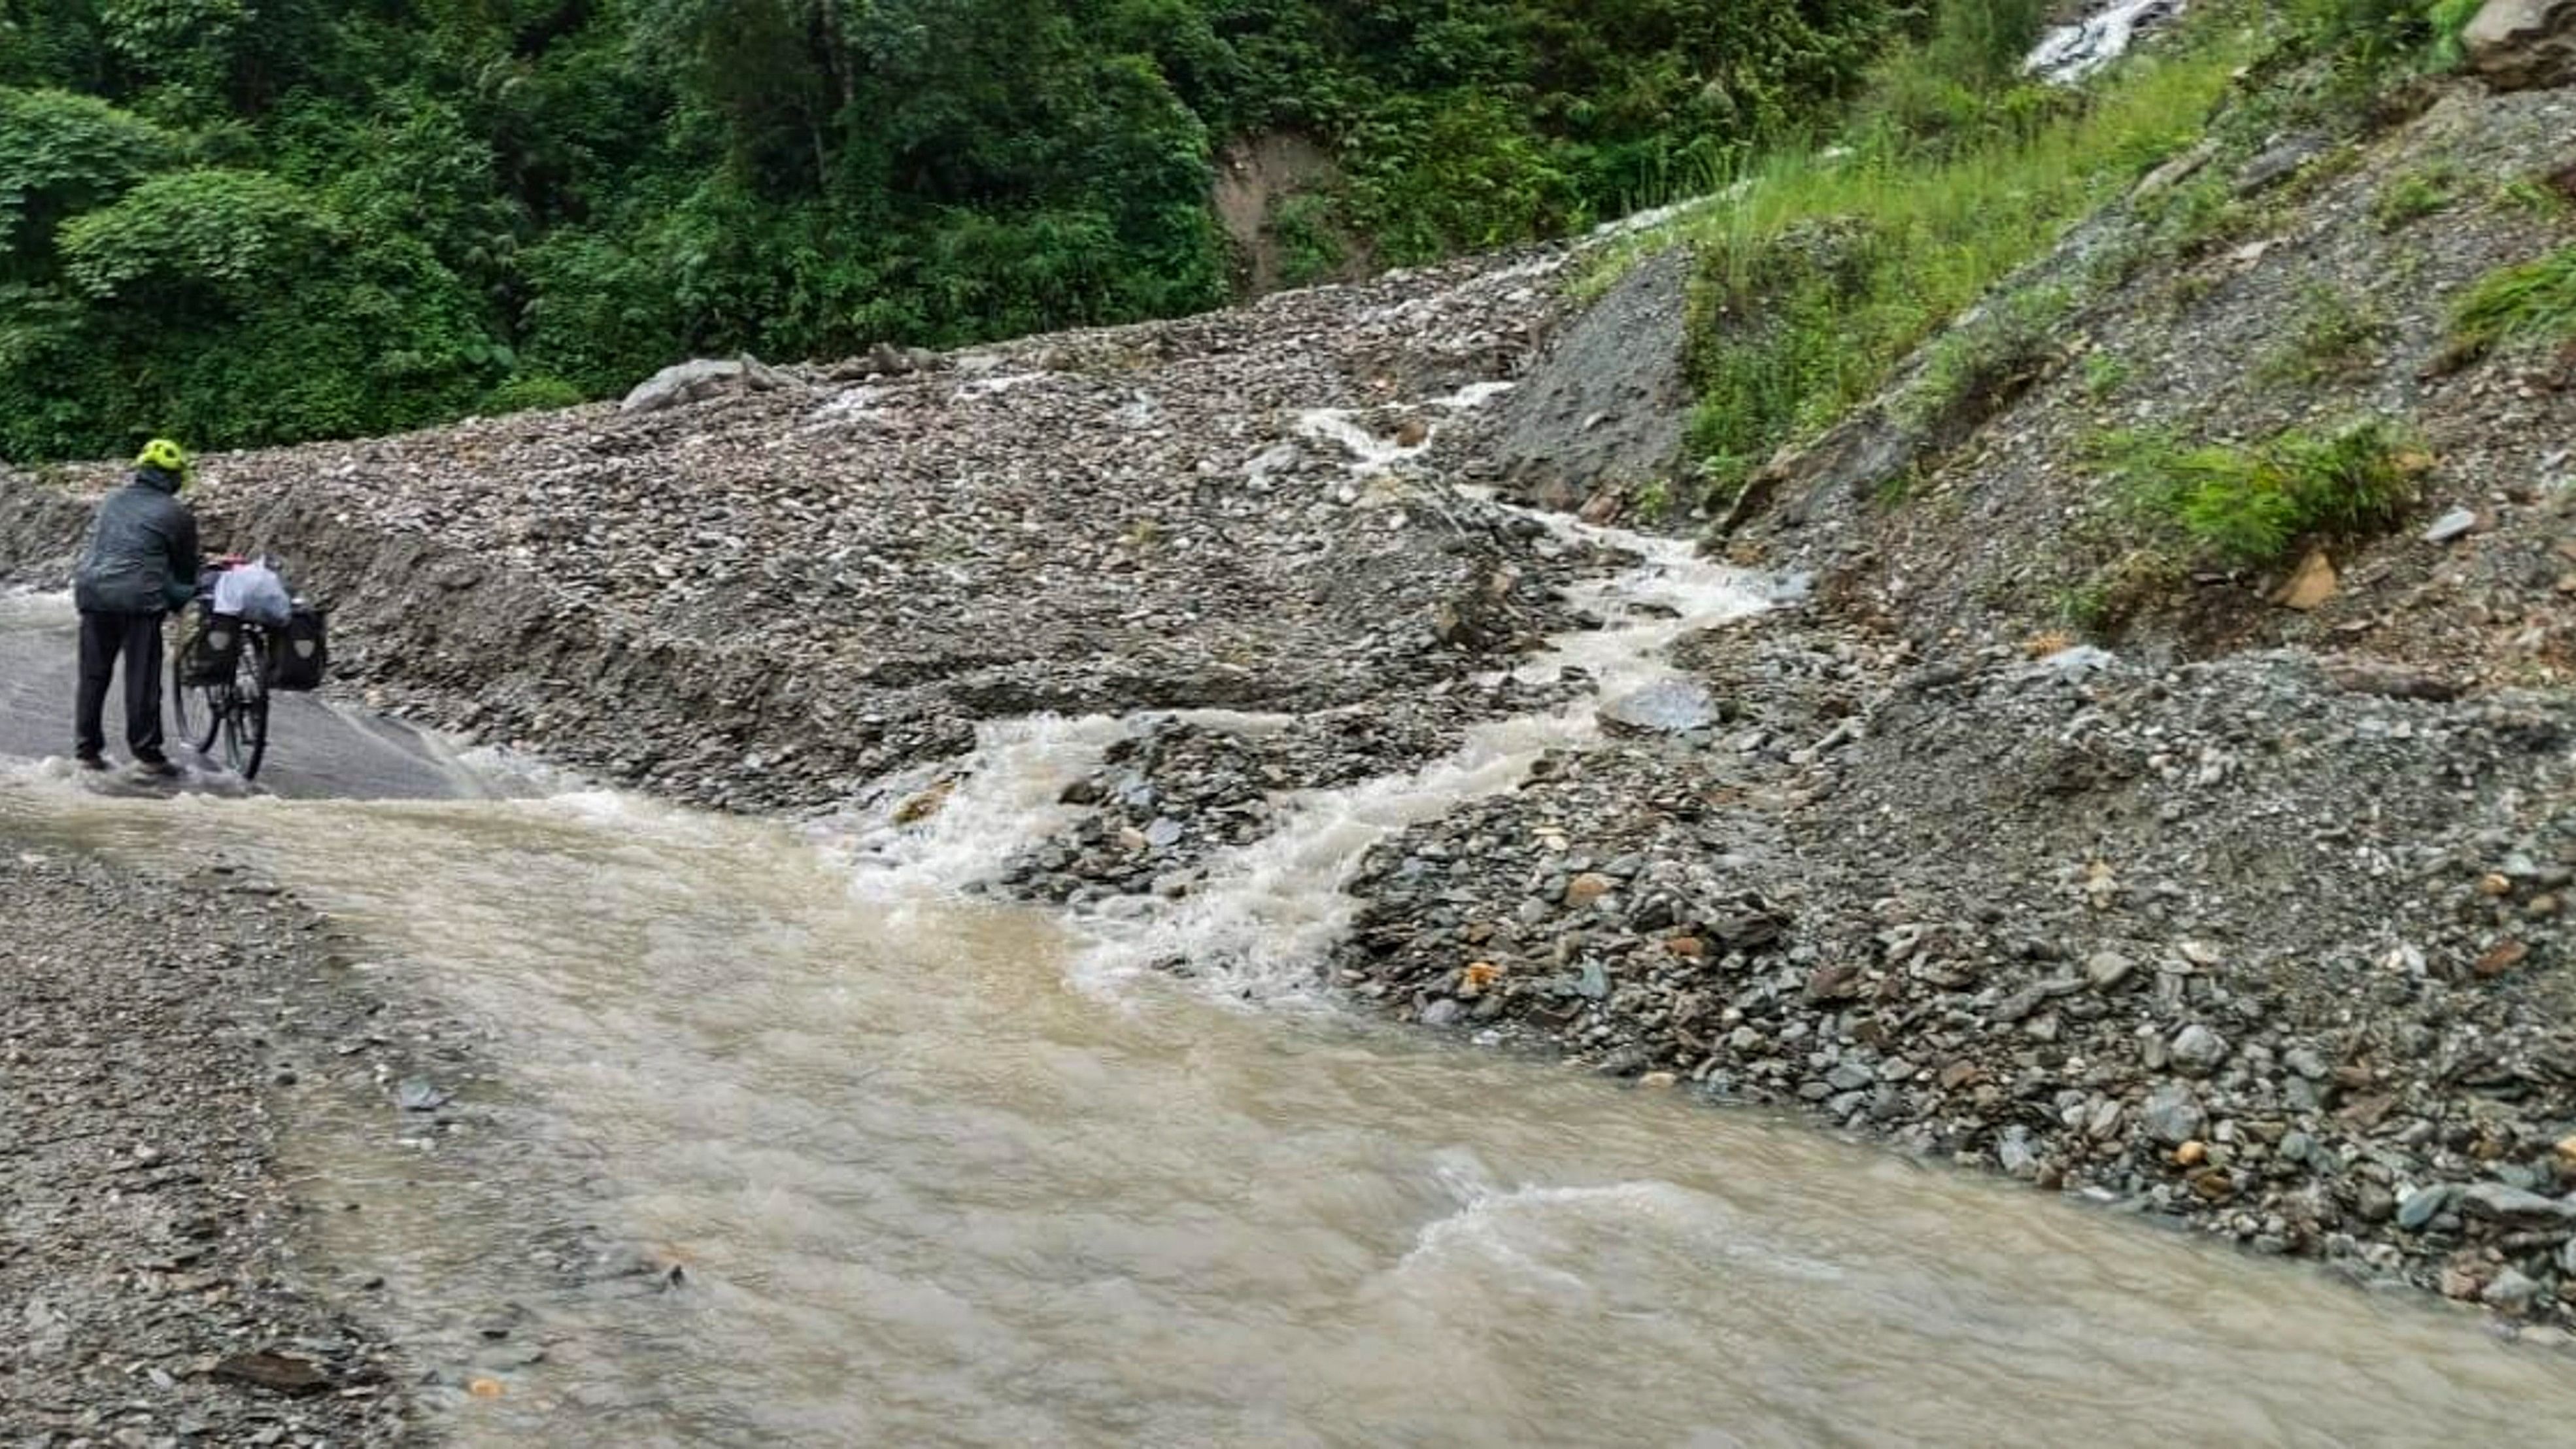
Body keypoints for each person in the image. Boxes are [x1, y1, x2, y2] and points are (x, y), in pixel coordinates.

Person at [71, 437, 201, 776]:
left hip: (93, 593)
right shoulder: (177, 514)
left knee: (93, 674)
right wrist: (181, 599)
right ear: (175, 479)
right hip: (139, 600)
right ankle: (148, 755)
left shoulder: (112, 501)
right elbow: (186, 570)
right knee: (142, 678)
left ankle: (86, 750)